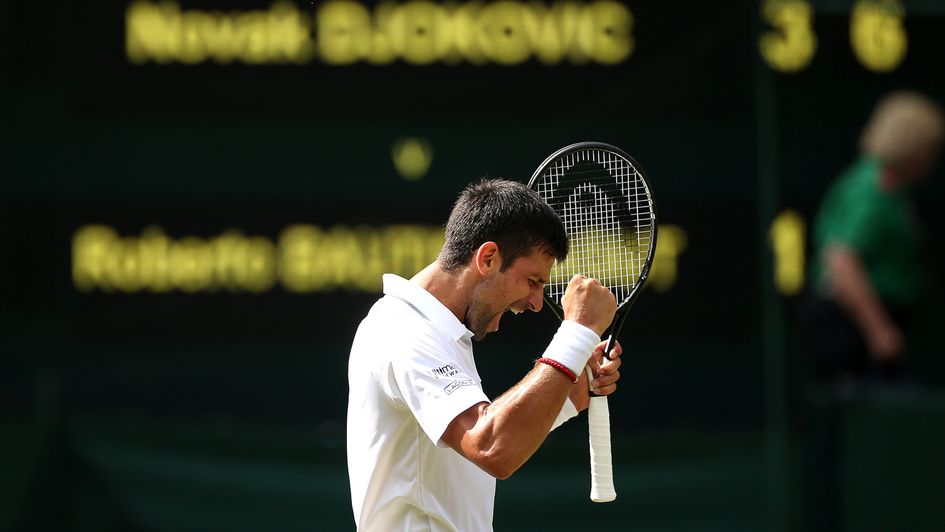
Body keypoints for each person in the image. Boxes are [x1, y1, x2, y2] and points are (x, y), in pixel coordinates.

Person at [346, 179, 623, 531]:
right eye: (533, 281)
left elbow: (477, 445)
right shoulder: (404, 330)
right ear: (488, 258)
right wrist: (576, 333)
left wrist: (568, 390)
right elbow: (491, 447)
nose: (537, 303)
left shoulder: (440, 331)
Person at [807, 90, 944, 386]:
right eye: (930, 149)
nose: (931, 159)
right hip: (849, 329)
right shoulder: (872, 188)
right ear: (914, 146)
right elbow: (841, 260)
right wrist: (879, 331)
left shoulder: (890, 187)